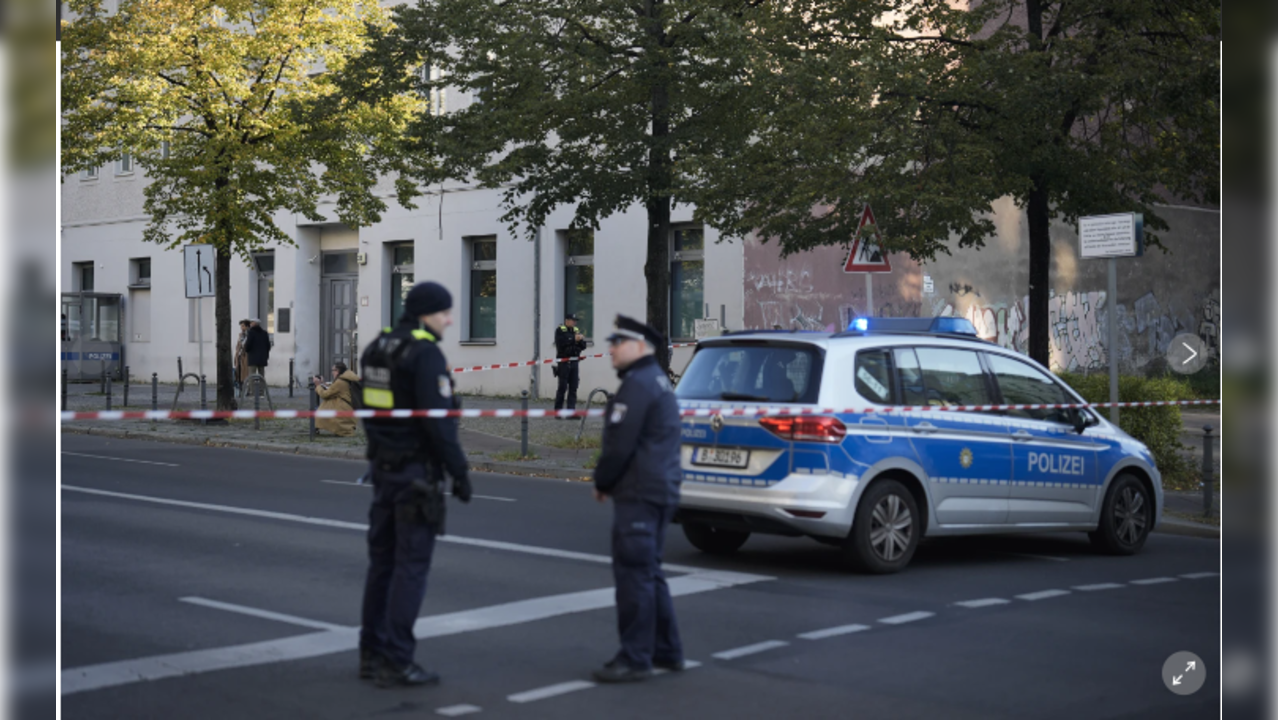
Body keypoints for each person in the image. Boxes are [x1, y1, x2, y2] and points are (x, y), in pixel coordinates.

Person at [358, 281, 472, 689]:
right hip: (415, 477)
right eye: (445, 312)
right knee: (411, 568)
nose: (450, 319)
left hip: (384, 470)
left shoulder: (378, 347)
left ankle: (370, 654)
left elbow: (368, 412)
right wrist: (458, 471)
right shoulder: (425, 354)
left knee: (383, 565)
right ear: (427, 313)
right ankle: (397, 660)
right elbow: (437, 422)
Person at [590, 314, 684, 683]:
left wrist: (603, 480)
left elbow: (620, 443)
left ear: (639, 346)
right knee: (649, 573)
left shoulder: (638, 385)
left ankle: (635, 657)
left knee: (634, 577)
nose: (611, 349)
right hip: (659, 489)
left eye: (617, 342)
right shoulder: (656, 381)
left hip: (640, 492)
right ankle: (667, 650)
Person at [553, 312, 588, 414]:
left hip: (574, 362)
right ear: (567, 321)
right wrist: (574, 340)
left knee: (573, 387)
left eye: (575, 321)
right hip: (564, 362)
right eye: (573, 320)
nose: (574, 323)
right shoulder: (560, 331)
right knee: (562, 387)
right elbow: (561, 344)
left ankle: (571, 411)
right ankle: (558, 411)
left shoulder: (576, 331)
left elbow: (583, 345)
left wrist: (578, 341)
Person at [313, 362, 361, 437]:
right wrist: (323, 383)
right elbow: (334, 387)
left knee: (327, 404)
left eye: (333, 370)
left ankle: (317, 424)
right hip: (350, 407)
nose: (332, 373)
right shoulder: (347, 378)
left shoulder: (340, 381)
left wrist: (318, 386)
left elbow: (324, 394)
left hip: (344, 408)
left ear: (337, 371)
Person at [243, 318, 271, 393]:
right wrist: (266, 355)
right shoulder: (264, 333)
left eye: (251, 323)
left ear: (255, 324)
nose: (250, 324)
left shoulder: (251, 333)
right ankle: (261, 392)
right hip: (262, 358)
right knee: (261, 375)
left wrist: (247, 350)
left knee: (252, 375)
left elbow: (248, 344)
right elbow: (268, 345)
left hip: (253, 358)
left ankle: (252, 392)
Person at [234, 319, 251, 391]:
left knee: (245, 373)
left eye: (243, 326)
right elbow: (238, 345)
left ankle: (247, 388)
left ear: (247, 326)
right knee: (239, 372)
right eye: (241, 326)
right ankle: (240, 388)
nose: (241, 328)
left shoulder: (249, 335)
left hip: (246, 356)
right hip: (239, 356)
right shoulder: (241, 335)